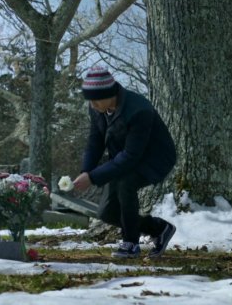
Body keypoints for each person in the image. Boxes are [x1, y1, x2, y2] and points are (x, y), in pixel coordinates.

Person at [72, 67, 177, 258]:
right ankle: (158, 228)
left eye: (96, 100)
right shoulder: (97, 108)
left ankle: (130, 244)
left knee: (125, 183)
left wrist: (94, 177)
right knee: (106, 212)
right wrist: (86, 171)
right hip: (123, 158)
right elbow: (94, 140)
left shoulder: (139, 110)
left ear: (110, 94)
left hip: (155, 158)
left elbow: (131, 156)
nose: (93, 105)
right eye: (90, 100)